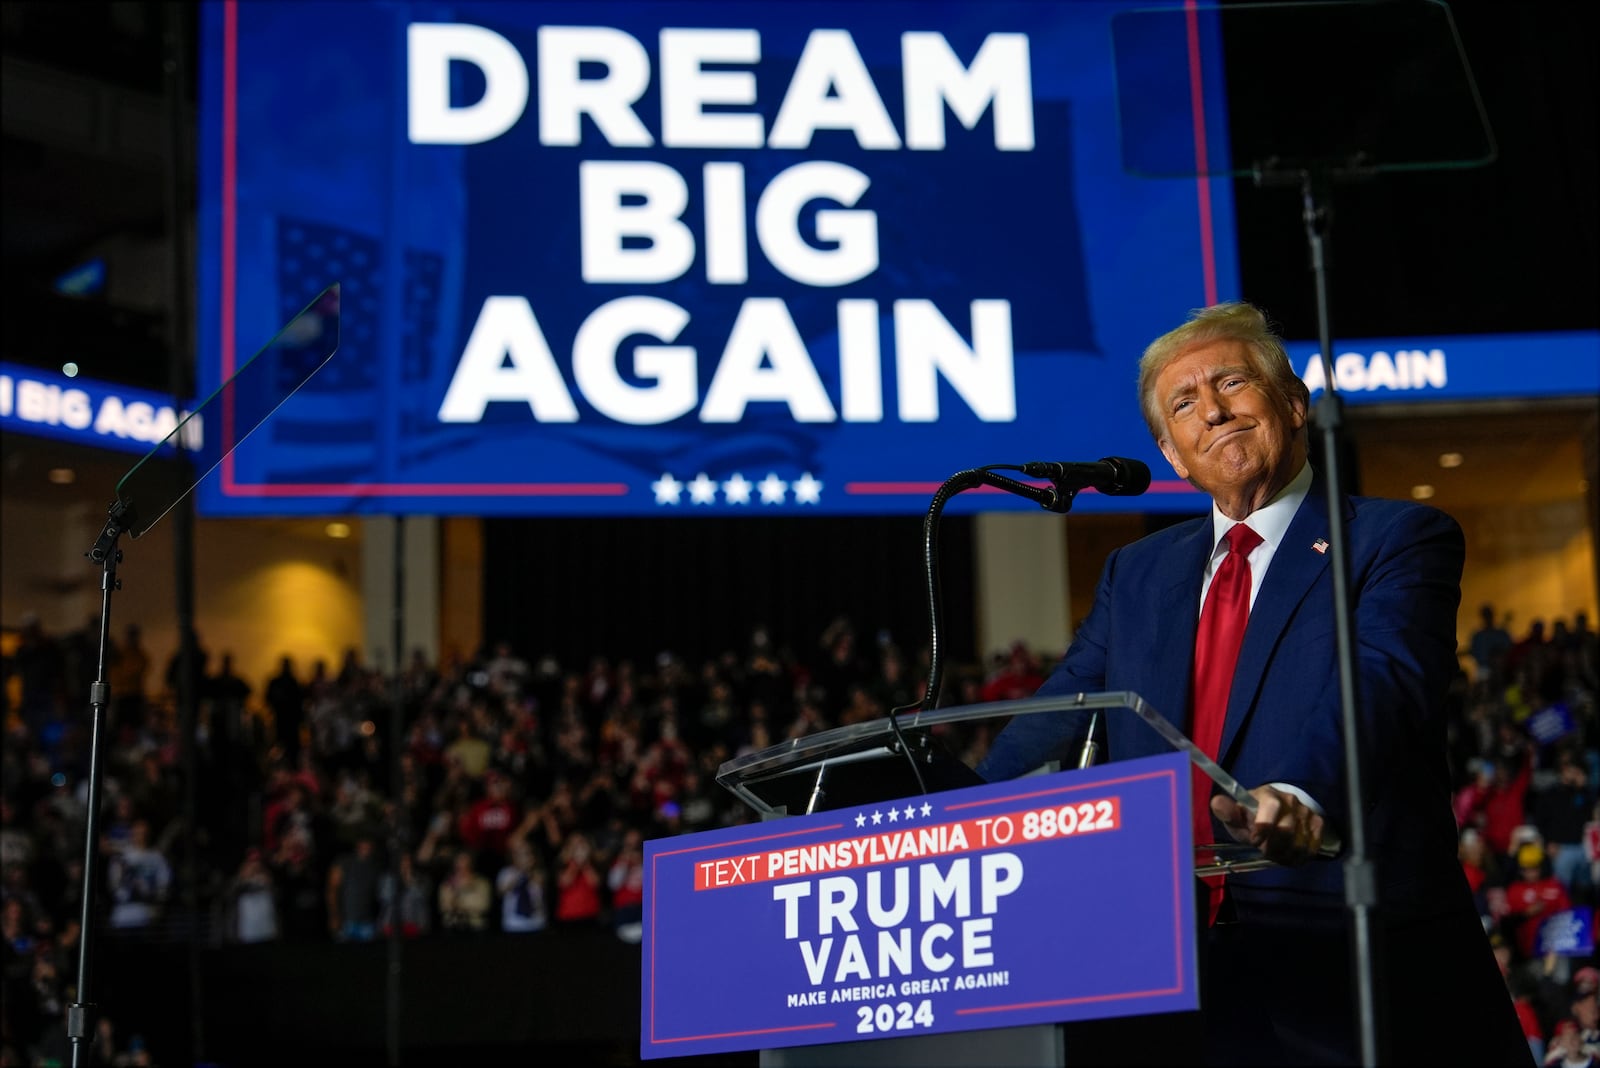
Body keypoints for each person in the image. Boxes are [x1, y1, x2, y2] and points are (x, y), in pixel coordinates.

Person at [976, 302, 1527, 1064]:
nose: (1214, 409)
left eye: (1232, 382)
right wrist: (954, 818)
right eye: (1184, 403)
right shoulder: (1136, 575)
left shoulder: (1393, 539)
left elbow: (1383, 685)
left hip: (1347, 959)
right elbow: (1057, 717)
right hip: (1168, 968)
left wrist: (1300, 797)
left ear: (1294, 404)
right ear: (1172, 453)